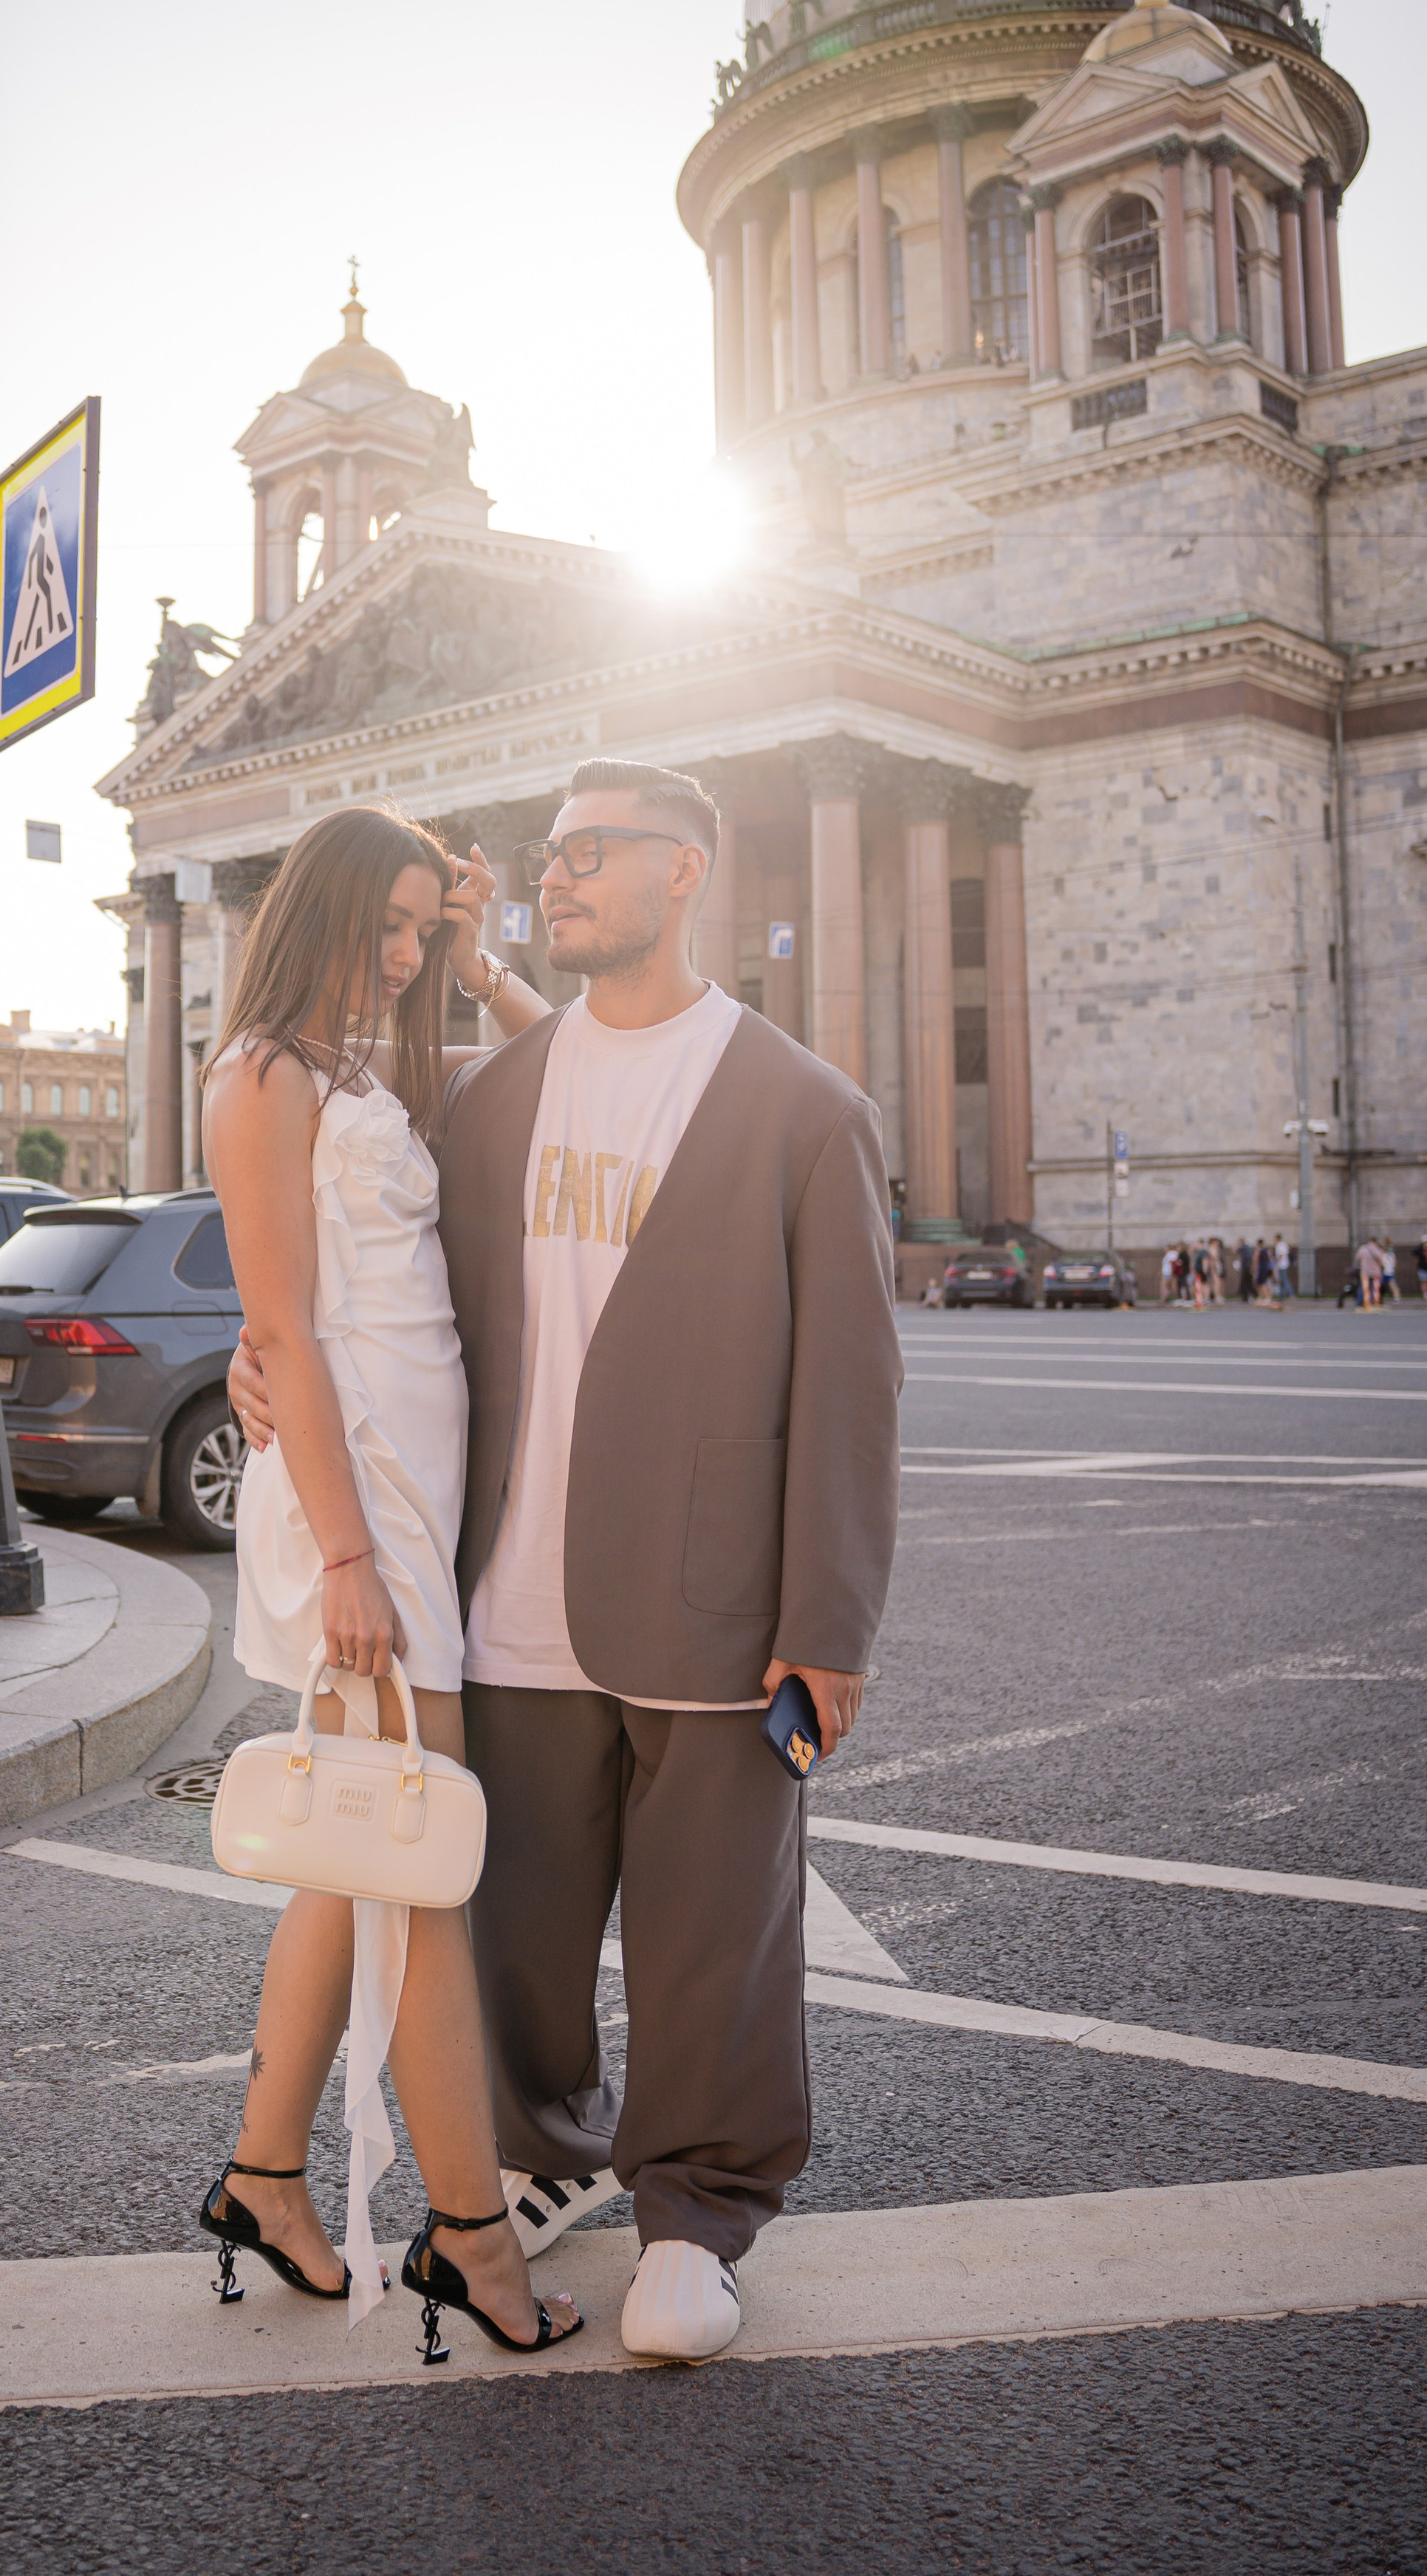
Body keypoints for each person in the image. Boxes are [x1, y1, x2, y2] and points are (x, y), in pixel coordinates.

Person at [235, 758, 901, 2363]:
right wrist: (265, 1367)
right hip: (496, 1592)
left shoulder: (802, 1107)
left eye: (593, 853)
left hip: (710, 1601)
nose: (559, 872)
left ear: (687, 872)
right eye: (550, 854)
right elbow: (356, 1261)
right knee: (513, 1925)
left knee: (712, 1935)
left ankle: (696, 2210)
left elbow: (852, 1389)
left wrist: (829, 1621)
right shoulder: (490, 1099)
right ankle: (538, 2156)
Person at [198, 803, 581, 2364]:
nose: (411, 954)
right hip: (357, 1506)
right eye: (398, 925)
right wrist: (348, 1554)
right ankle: (469, 2234)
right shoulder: (261, 1072)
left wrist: (484, 964)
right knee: (423, 1861)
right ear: (329, 911)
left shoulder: (365, 1066)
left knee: (361, 1855)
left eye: (431, 927)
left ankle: (262, 2180)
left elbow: (567, 1063)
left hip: (406, 1493)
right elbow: (284, 1322)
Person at [1354, 1233, 1385, 1310]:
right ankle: (1374, 1303)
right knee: (1375, 1289)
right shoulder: (1378, 1250)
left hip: (1365, 1272)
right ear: (1376, 1241)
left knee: (1364, 1288)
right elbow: (1382, 1260)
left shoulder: (1363, 1249)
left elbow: (1357, 1258)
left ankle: (1361, 1303)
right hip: (1376, 1272)